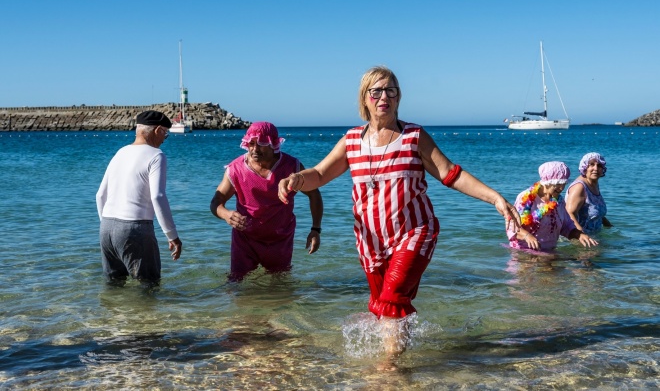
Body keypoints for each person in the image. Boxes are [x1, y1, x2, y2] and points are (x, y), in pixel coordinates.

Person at [277, 66, 520, 357]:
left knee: (391, 300)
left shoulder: (414, 137)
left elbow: (450, 173)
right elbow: (319, 173)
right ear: (365, 98)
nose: (384, 96)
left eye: (390, 90)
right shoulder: (352, 141)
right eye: (376, 91)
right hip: (371, 242)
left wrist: (494, 198)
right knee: (383, 307)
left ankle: (388, 372)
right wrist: (297, 179)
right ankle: (402, 351)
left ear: (398, 96)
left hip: (414, 233)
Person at [210, 121, 323, 281]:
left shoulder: (291, 167)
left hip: (280, 239)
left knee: (280, 287)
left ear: (274, 144)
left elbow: (314, 194)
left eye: (262, 144)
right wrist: (226, 214)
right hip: (245, 240)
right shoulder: (236, 169)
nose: (255, 149)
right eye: (251, 143)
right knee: (235, 284)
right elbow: (216, 202)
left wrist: (315, 229)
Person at [96, 110, 183, 286]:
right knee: (149, 285)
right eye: (165, 133)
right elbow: (158, 197)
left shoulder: (120, 152)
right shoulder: (156, 156)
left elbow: (100, 195)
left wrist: (109, 225)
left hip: (106, 227)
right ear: (158, 130)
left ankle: (111, 314)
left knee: (114, 285)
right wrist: (172, 235)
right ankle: (146, 314)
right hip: (135, 228)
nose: (164, 138)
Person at [507, 161, 598, 251]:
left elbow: (566, 226)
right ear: (547, 182)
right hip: (524, 251)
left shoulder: (558, 201)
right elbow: (512, 226)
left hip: (549, 251)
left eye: (564, 184)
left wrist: (579, 235)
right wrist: (527, 236)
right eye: (558, 184)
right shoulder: (525, 198)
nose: (562, 188)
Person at [566, 152, 612, 234]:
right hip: (578, 238)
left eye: (599, 165)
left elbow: (596, 212)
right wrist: (580, 236)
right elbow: (569, 213)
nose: (596, 168)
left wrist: (611, 228)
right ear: (584, 167)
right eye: (591, 164)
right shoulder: (579, 187)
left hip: (593, 236)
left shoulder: (594, 184)